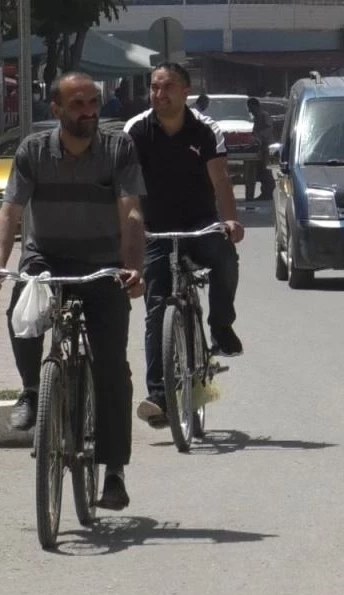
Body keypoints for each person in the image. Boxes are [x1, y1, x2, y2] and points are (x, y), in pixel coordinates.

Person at [0, 71, 147, 510]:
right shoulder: (34, 151)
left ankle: (113, 472)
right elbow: (10, 212)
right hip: (46, 260)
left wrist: (133, 269)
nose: (88, 112)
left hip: (103, 266)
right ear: (56, 110)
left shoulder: (117, 148)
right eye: (77, 105)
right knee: (22, 306)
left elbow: (130, 213)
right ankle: (33, 390)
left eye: (93, 103)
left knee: (112, 368)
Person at [124, 62, 244, 429]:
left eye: (168, 87)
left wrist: (230, 221)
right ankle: (159, 396)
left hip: (200, 224)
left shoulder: (205, 130)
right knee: (156, 310)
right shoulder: (136, 131)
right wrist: (131, 232)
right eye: (154, 87)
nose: (160, 94)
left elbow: (221, 181)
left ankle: (221, 325)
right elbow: (128, 191)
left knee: (224, 257)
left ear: (186, 91)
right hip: (156, 228)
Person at [246, 97, 276, 202]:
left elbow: (268, 129)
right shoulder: (256, 117)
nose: (249, 110)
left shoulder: (264, 115)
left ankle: (269, 193)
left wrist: (259, 137)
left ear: (255, 106)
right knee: (260, 171)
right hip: (260, 147)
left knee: (266, 170)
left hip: (267, 147)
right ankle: (265, 193)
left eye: (250, 107)